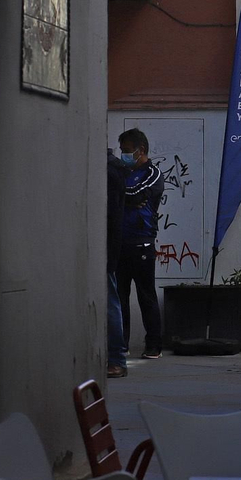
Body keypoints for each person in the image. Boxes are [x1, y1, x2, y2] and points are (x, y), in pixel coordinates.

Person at [113, 129, 165, 360]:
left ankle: (154, 345)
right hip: (119, 244)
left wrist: (123, 197)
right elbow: (123, 195)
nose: (123, 155)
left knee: (146, 297)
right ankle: (120, 345)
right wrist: (126, 198)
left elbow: (136, 193)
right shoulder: (122, 173)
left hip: (141, 244)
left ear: (140, 150)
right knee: (119, 298)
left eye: (126, 151)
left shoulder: (152, 174)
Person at [104, 147, 130, 378]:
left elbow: (109, 215)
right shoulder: (115, 170)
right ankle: (115, 358)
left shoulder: (109, 172)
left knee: (111, 303)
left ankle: (116, 359)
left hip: (106, 248)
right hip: (108, 247)